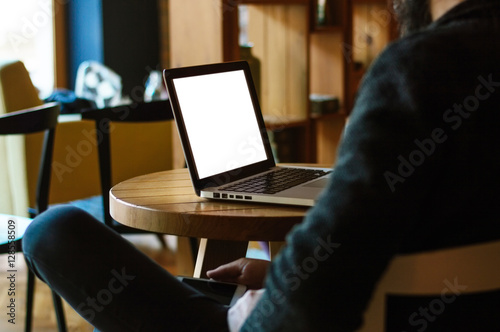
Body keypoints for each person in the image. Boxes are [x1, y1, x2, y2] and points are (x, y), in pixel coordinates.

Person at [23, 0, 500, 330]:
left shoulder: (419, 68)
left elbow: (315, 305)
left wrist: (259, 308)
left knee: (51, 230)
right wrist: (280, 275)